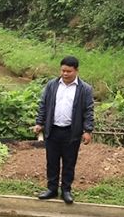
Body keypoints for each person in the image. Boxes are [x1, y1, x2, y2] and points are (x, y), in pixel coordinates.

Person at [32, 55, 95, 204]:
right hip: (53, 130)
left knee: (69, 162)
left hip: (71, 131)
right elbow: (44, 105)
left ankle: (66, 190)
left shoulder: (84, 89)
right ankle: (51, 189)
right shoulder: (52, 85)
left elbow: (88, 110)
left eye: (69, 71)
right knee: (52, 161)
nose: (65, 74)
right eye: (63, 71)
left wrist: (88, 130)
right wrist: (39, 122)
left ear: (76, 71)